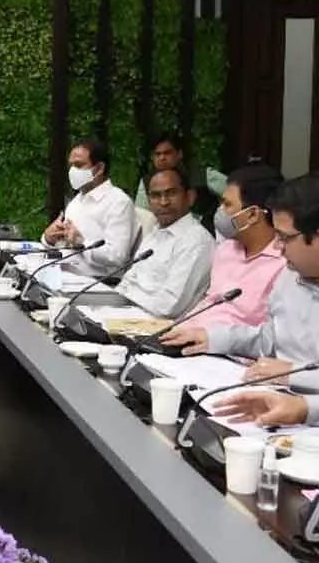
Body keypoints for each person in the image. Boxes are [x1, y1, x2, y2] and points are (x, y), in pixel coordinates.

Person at [161, 175, 319, 392]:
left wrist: (293, 375)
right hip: (273, 394)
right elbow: (270, 338)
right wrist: (212, 337)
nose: (279, 247)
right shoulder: (289, 277)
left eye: (285, 238)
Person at [179, 164, 285, 328]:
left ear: (252, 214)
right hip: (195, 342)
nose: (220, 211)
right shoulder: (225, 250)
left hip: (233, 350)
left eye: (227, 205)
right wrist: (178, 328)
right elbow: (210, 303)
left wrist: (212, 340)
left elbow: (270, 336)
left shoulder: (284, 264)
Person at [115, 169, 214, 317]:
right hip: (128, 316)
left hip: (160, 329)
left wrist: (128, 299)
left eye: (171, 193)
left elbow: (169, 307)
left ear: (190, 197)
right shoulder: (154, 233)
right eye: (155, 196)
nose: (163, 202)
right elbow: (127, 282)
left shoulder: (196, 241)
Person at [41, 137, 136, 277]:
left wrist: (82, 243)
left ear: (99, 168)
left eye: (79, 165)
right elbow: (64, 245)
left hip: (97, 283)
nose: (72, 171)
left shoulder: (118, 202)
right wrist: (49, 238)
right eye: (71, 166)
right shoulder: (76, 201)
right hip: (64, 275)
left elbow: (117, 256)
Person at [135, 132, 222, 233]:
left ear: (179, 154)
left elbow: (235, 193)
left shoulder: (202, 175)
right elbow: (142, 216)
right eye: (157, 154)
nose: (162, 158)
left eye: (167, 153)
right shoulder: (146, 182)